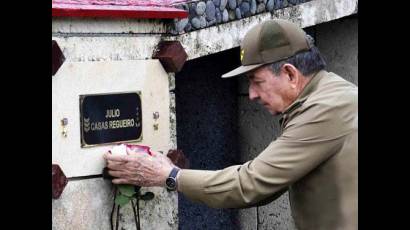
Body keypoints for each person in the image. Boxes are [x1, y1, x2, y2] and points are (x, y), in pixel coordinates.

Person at [104, 19, 358, 230]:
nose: (252, 95)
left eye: (256, 81)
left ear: (290, 74)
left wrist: (170, 176)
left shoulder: (324, 110)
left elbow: (251, 184)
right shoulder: (327, 96)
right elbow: (268, 185)